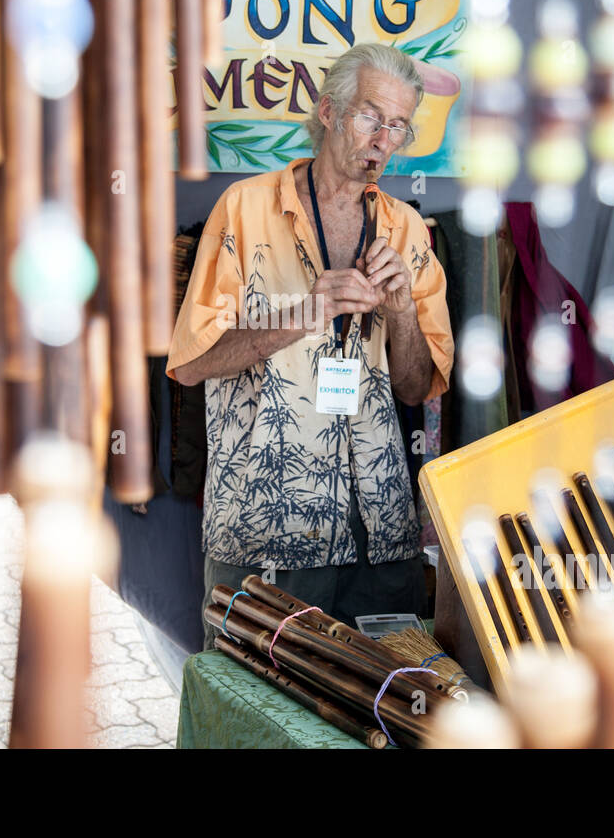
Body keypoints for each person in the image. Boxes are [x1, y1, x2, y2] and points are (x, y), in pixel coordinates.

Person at [166, 43, 454, 647]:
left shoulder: (406, 229)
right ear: (328, 111)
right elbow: (191, 363)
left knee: (382, 711)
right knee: (257, 714)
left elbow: (413, 385)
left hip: (379, 533)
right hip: (267, 528)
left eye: (398, 125)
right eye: (371, 116)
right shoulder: (244, 208)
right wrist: (306, 310)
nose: (384, 139)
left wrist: (401, 313)